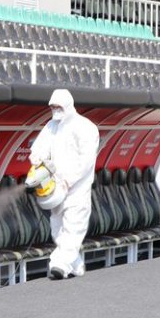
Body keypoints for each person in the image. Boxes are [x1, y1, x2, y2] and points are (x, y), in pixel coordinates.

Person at [29, 89, 100, 280]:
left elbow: (85, 160)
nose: (54, 109)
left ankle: (58, 265)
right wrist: (36, 156)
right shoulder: (51, 126)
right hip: (56, 187)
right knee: (58, 229)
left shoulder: (85, 127)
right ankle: (75, 265)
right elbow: (39, 146)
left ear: (68, 105)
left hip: (77, 188)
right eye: (52, 106)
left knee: (74, 227)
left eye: (58, 106)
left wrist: (70, 179)